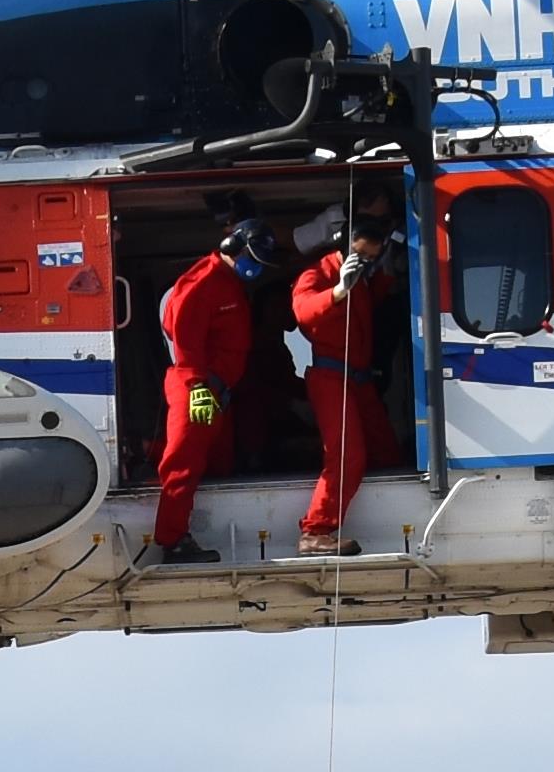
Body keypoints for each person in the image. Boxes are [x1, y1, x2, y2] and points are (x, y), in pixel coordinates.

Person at [146, 216, 275, 564]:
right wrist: (198, 388)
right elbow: (184, 340)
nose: (256, 268)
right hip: (196, 387)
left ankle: (196, 534)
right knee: (182, 463)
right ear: (233, 248)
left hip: (216, 391)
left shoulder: (228, 281)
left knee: (216, 462)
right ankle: (172, 541)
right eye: (253, 259)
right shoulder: (200, 283)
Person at [290, 208, 399, 551]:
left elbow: (373, 306)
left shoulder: (364, 279)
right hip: (330, 377)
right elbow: (304, 312)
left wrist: (384, 272)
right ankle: (315, 531)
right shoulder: (316, 274)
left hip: (360, 380)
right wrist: (339, 290)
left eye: (371, 257)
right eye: (359, 254)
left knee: (386, 450)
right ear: (342, 243)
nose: (364, 261)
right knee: (346, 455)